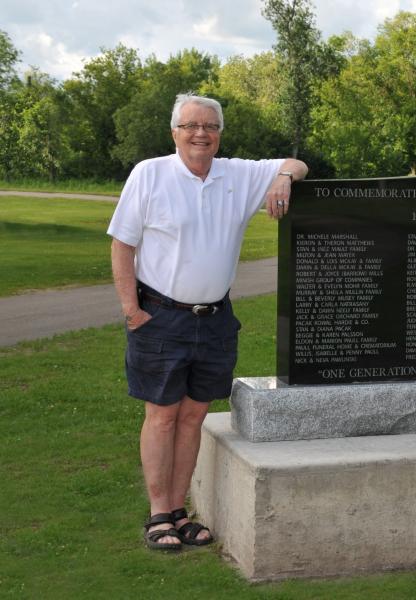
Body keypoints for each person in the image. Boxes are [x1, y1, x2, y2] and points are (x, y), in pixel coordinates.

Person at [107, 92, 308, 550]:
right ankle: (159, 514)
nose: (201, 134)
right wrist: (130, 310)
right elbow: (122, 244)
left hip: (215, 319)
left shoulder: (237, 173)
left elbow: (297, 164)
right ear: (175, 132)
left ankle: (179, 510)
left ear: (219, 134)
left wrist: (279, 178)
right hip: (158, 316)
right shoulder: (150, 174)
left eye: (210, 127)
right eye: (191, 126)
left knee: (195, 415)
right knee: (162, 416)